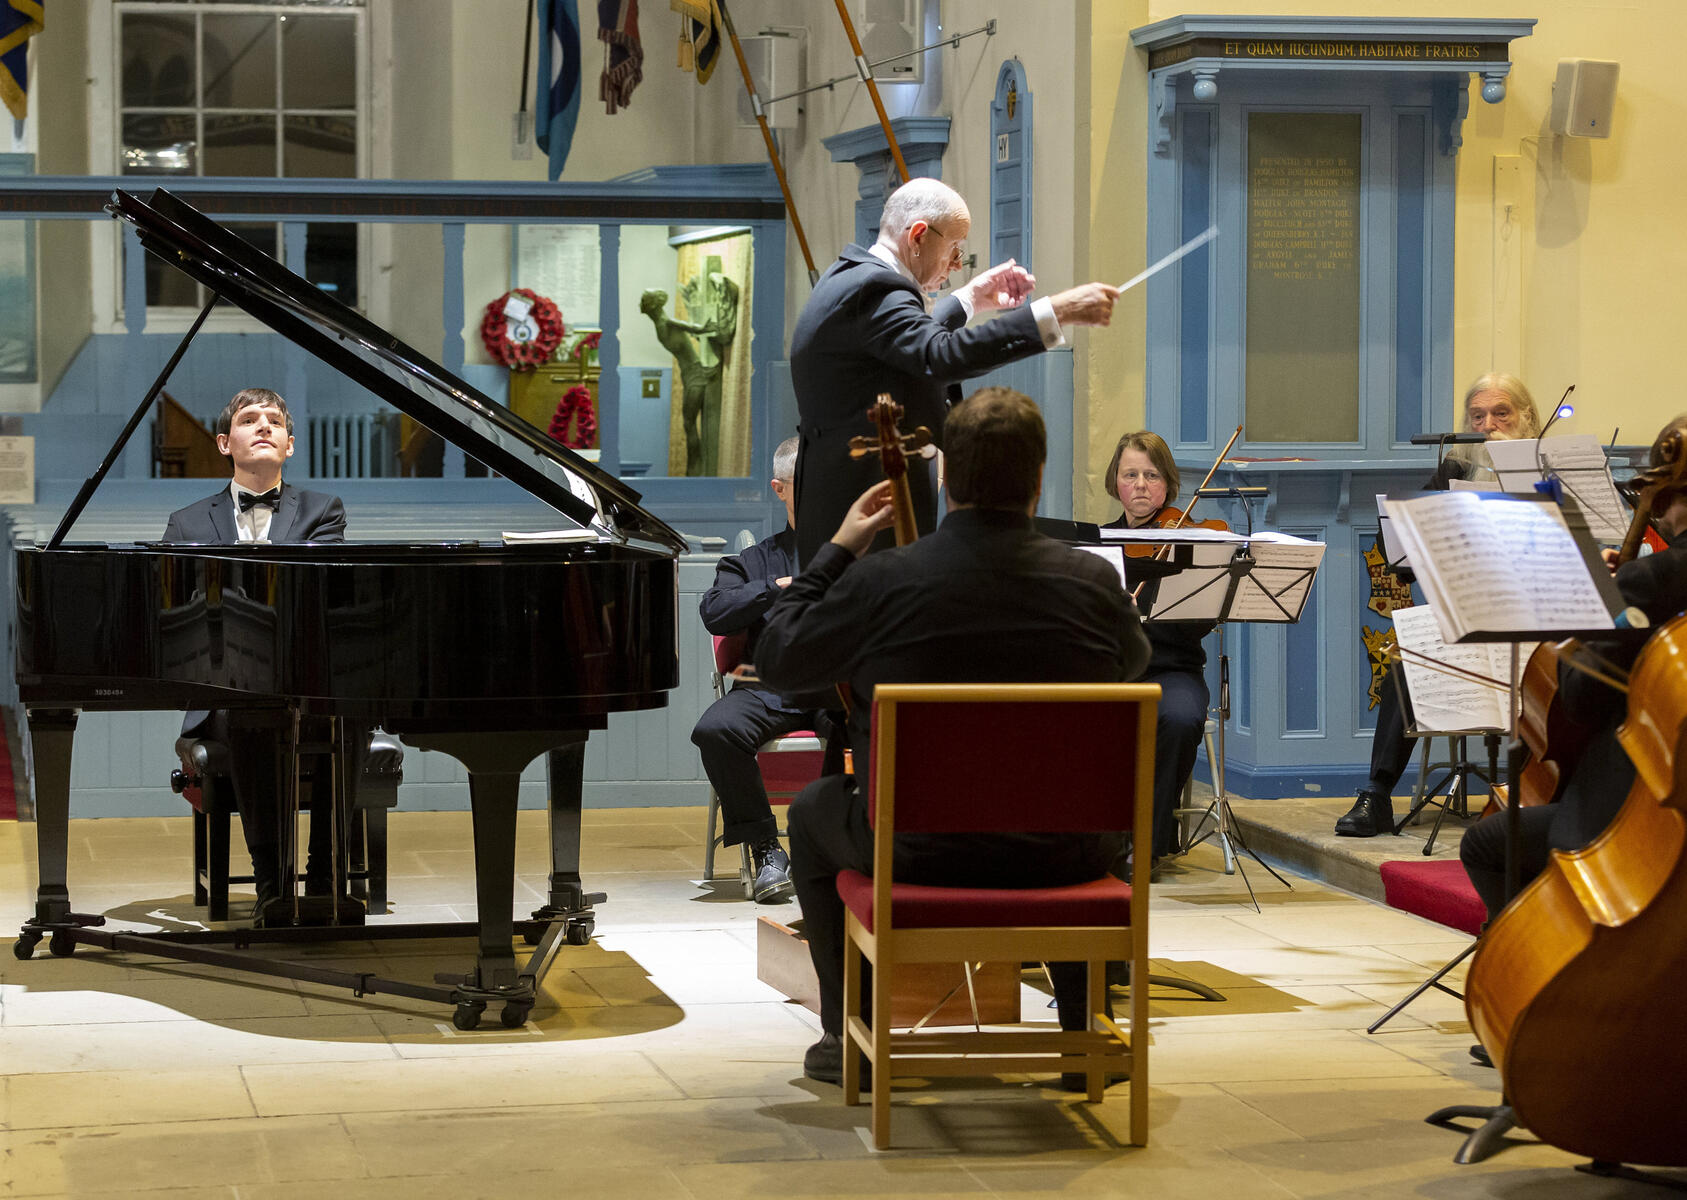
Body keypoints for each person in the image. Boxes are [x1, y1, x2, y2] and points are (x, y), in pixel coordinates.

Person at [754, 387, 1151, 1087]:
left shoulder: (882, 580)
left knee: (815, 809)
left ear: (944, 478)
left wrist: (838, 549)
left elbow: (780, 657)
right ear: (1037, 479)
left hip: (917, 853)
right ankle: (1083, 1034)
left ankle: (848, 1037)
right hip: (1063, 854)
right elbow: (1132, 666)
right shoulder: (1091, 583)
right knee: (1061, 804)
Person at [788, 176, 1121, 567]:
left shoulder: (854, 278)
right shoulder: (874, 289)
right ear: (918, 236)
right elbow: (938, 354)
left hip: (842, 505)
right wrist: (1053, 313)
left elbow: (908, 343)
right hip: (869, 516)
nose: (958, 263)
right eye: (955, 248)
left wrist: (970, 299)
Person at [1459, 414, 1687, 920]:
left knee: (1486, 844)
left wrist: (1595, 608)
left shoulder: (1652, 580)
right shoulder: (1647, 578)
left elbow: (1581, 700)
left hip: (1644, 802)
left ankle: (1536, 953)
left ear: (1664, 497)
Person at [163, 388, 353, 925]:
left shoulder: (324, 511)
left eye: (274, 421)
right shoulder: (186, 523)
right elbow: (175, 623)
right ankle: (272, 883)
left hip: (307, 682)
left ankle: (324, 880)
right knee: (250, 706)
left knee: (354, 706)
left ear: (290, 444)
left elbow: (326, 600)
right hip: (226, 691)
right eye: (249, 420)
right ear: (225, 443)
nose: (264, 426)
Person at [1335, 372, 1544, 837]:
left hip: (1531, 621)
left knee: (1552, 671)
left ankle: (1534, 792)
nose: (1488, 426)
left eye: (1501, 413)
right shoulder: (1456, 469)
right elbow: (1396, 547)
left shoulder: (1548, 470)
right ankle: (1376, 794)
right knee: (1404, 659)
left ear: (1527, 417)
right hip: (1465, 619)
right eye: (1477, 417)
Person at [692, 436, 825, 903]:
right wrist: (776, 586)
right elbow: (715, 611)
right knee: (715, 730)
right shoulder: (751, 562)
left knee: (879, 724)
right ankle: (767, 848)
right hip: (769, 689)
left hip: (835, 688)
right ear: (779, 489)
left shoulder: (857, 554)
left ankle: (846, 846)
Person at [1102, 431, 1216, 864]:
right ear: (1115, 482)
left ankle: (1145, 843)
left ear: (1167, 484)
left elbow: (1203, 622)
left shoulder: (1191, 543)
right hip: (1113, 673)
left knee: (1180, 718)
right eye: (1130, 475)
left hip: (1173, 670)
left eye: (1151, 475)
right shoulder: (1099, 542)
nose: (1140, 486)